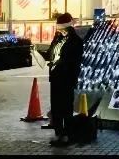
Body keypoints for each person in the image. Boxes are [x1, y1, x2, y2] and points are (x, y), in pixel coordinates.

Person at [47, 13, 84, 148]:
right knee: (56, 107)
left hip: (66, 78)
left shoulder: (75, 41)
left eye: (61, 28)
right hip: (55, 78)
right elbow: (50, 52)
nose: (59, 30)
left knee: (66, 107)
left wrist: (61, 64)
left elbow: (74, 61)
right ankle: (59, 134)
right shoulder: (57, 39)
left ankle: (68, 135)